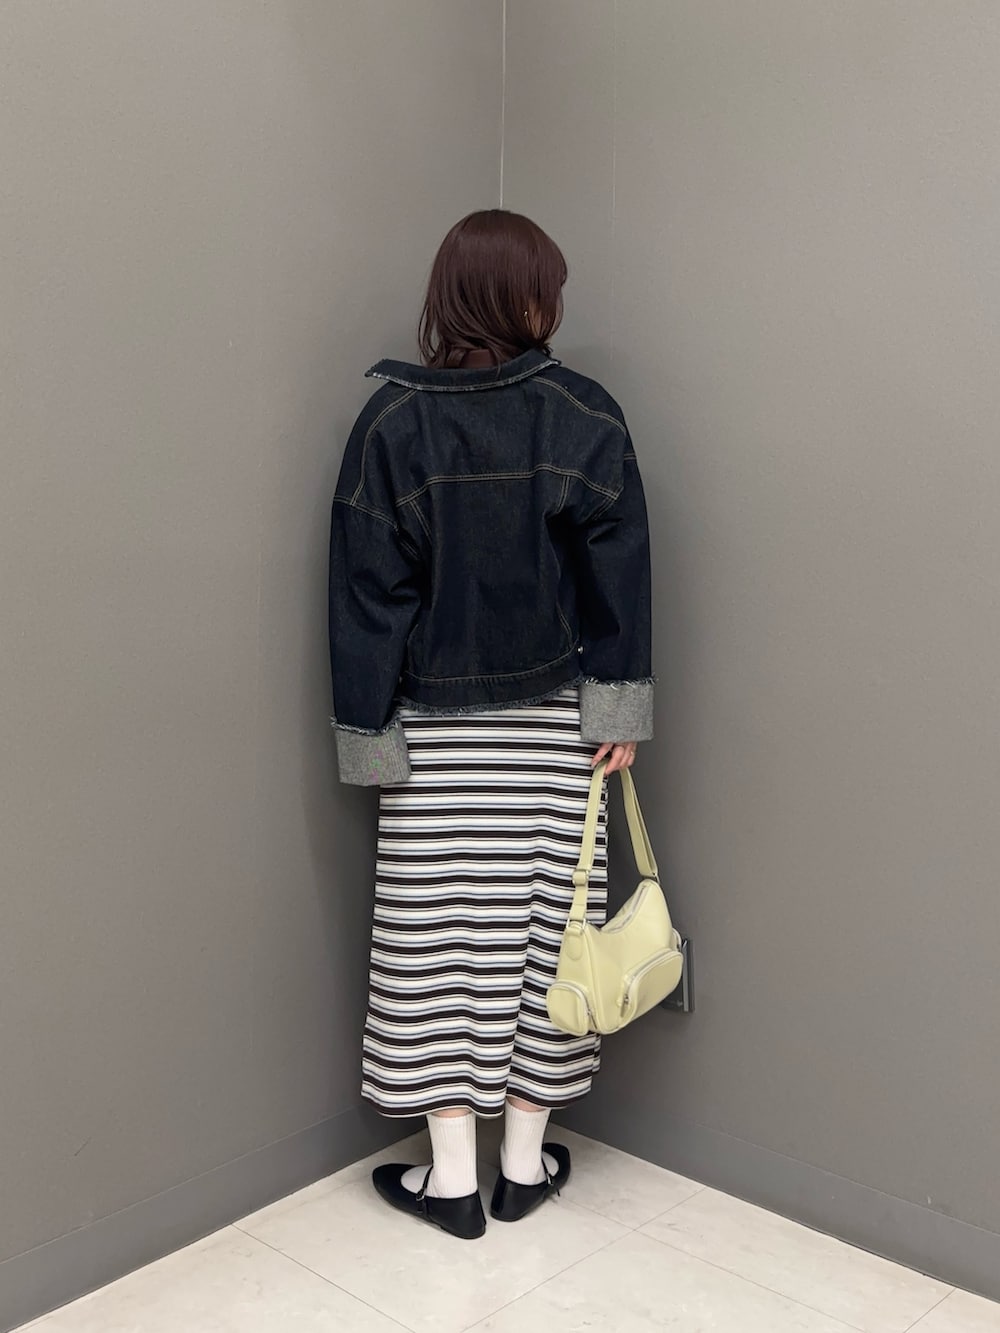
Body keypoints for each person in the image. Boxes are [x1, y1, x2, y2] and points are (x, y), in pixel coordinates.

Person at [327, 209, 653, 1240]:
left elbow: (366, 596)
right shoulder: (585, 413)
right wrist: (618, 703)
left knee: (434, 945)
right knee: (550, 938)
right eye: (549, 286)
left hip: (435, 737)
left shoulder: (390, 423)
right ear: (524, 297)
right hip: (557, 729)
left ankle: (453, 1183)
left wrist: (368, 730)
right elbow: (618, 575)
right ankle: (523, 1166)